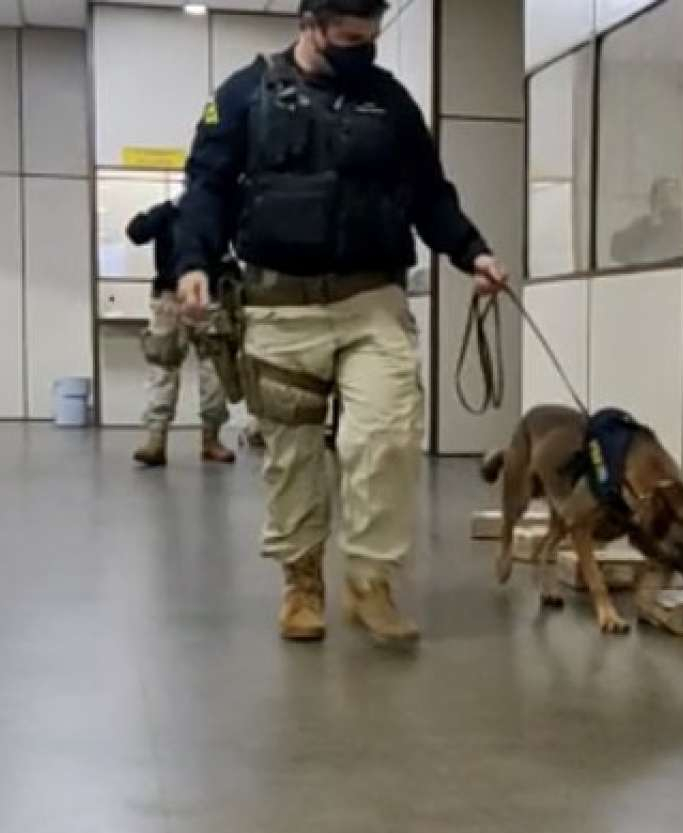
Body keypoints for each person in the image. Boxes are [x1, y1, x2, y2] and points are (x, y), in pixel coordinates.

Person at [173, 0, 506, 646]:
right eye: (350, 37)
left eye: (371, 37)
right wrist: (193, 261)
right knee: (293, 458)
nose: (363, 49)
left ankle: (370, 581)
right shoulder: (245, 94)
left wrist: (473, 251)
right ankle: (301, 583)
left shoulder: (391, 103)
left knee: (387, 437)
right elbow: (207, 186)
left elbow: (430, 193)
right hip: (278, 307)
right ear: (311, 24)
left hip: (370, 301)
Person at [128, 200, 236, 468]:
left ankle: (211, 439)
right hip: (169, 298)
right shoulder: (167, 213)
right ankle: (156, 439)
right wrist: (167, 208)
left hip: (211, 298)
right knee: (162, 367)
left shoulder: (220, 211)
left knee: (216, 371)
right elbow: (136, 232)